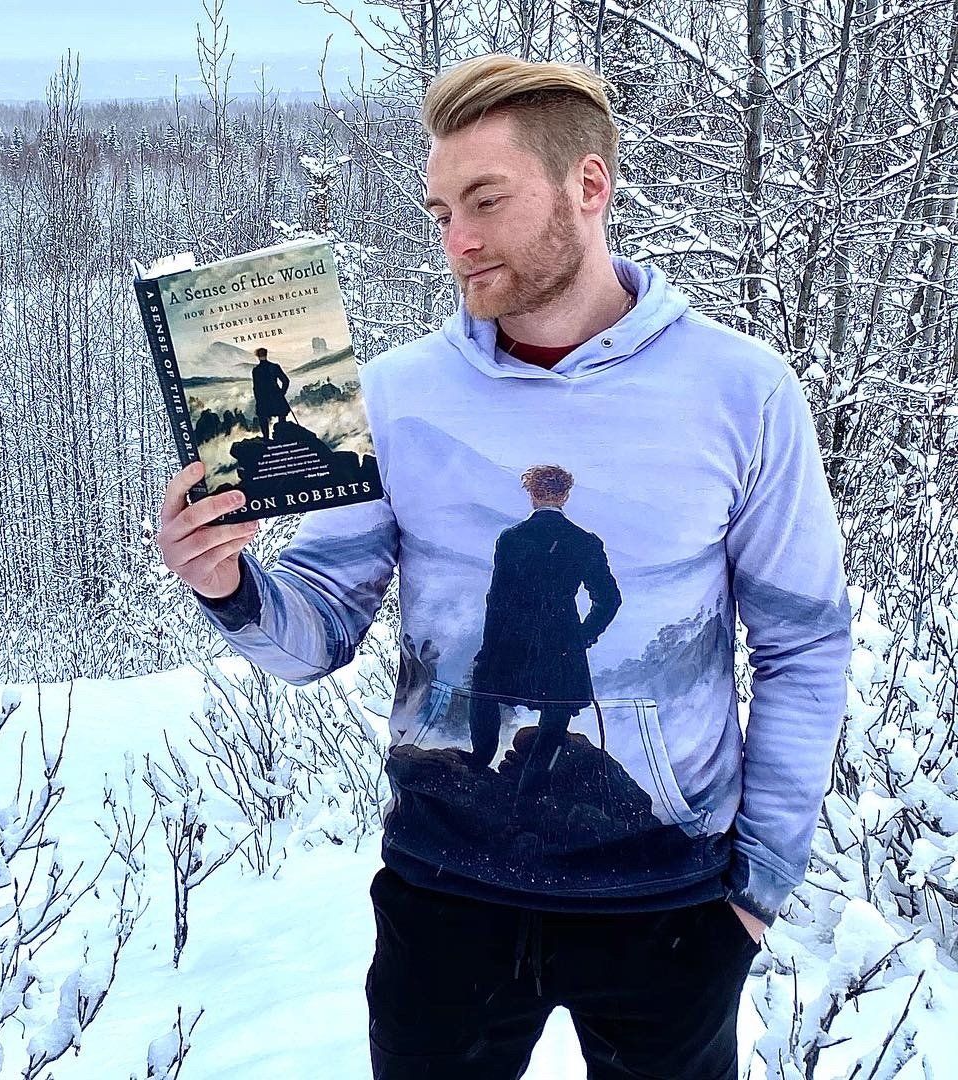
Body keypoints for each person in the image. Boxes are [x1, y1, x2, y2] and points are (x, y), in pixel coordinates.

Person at [155, 52, 852, 1080]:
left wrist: (755, 892)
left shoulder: (740, 391)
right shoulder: (393, 398)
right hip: (447, 899)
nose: (459, 240)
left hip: (668, 907)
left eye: (485, 199)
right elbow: (316, 632)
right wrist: (229, 583)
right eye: (441, 211)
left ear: (590, 185)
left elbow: (805, 642)